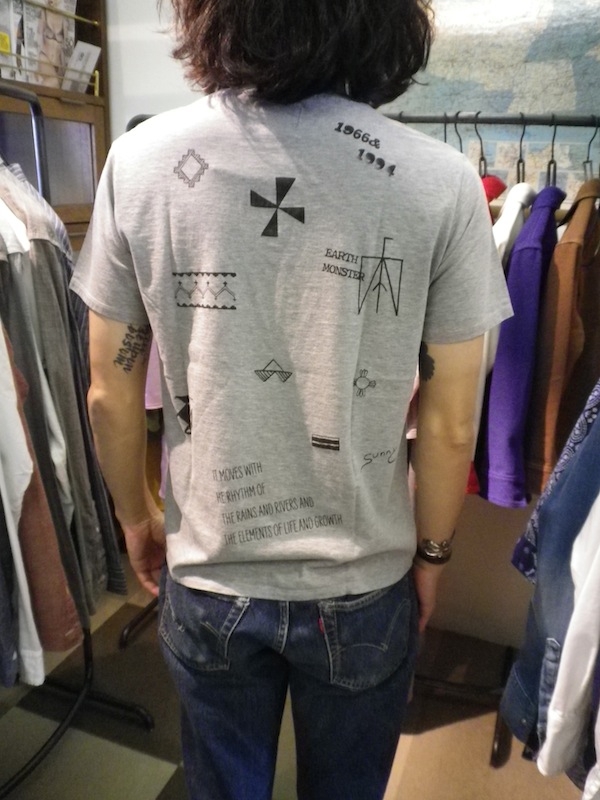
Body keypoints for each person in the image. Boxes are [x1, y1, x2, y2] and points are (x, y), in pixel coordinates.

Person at [71, 1, 512, 798]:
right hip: (363, 581)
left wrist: (136, 517)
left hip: (209, 572)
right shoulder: (440, 182)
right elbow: (452, 424)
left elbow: (109, 389)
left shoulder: (138, 163)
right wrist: (432, 557)